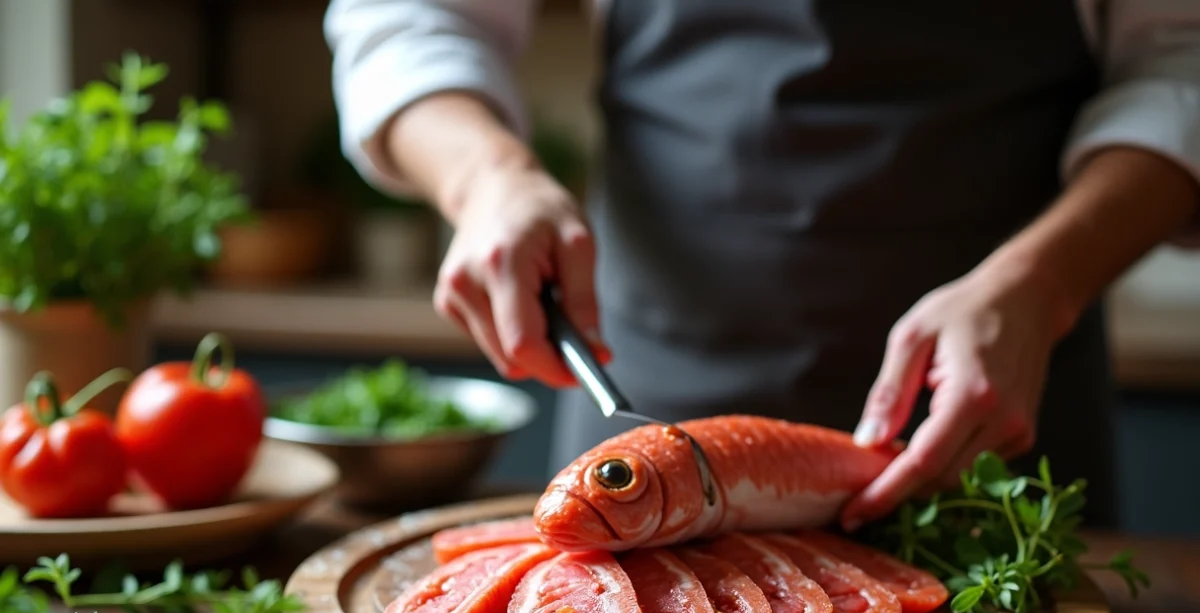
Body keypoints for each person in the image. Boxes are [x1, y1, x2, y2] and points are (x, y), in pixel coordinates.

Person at [324, 0, 1200, 530]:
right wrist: (489, 178)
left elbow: (1183, 62)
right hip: (649, 364)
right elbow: (408, 18)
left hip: (998, 401)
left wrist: (1043, 282)